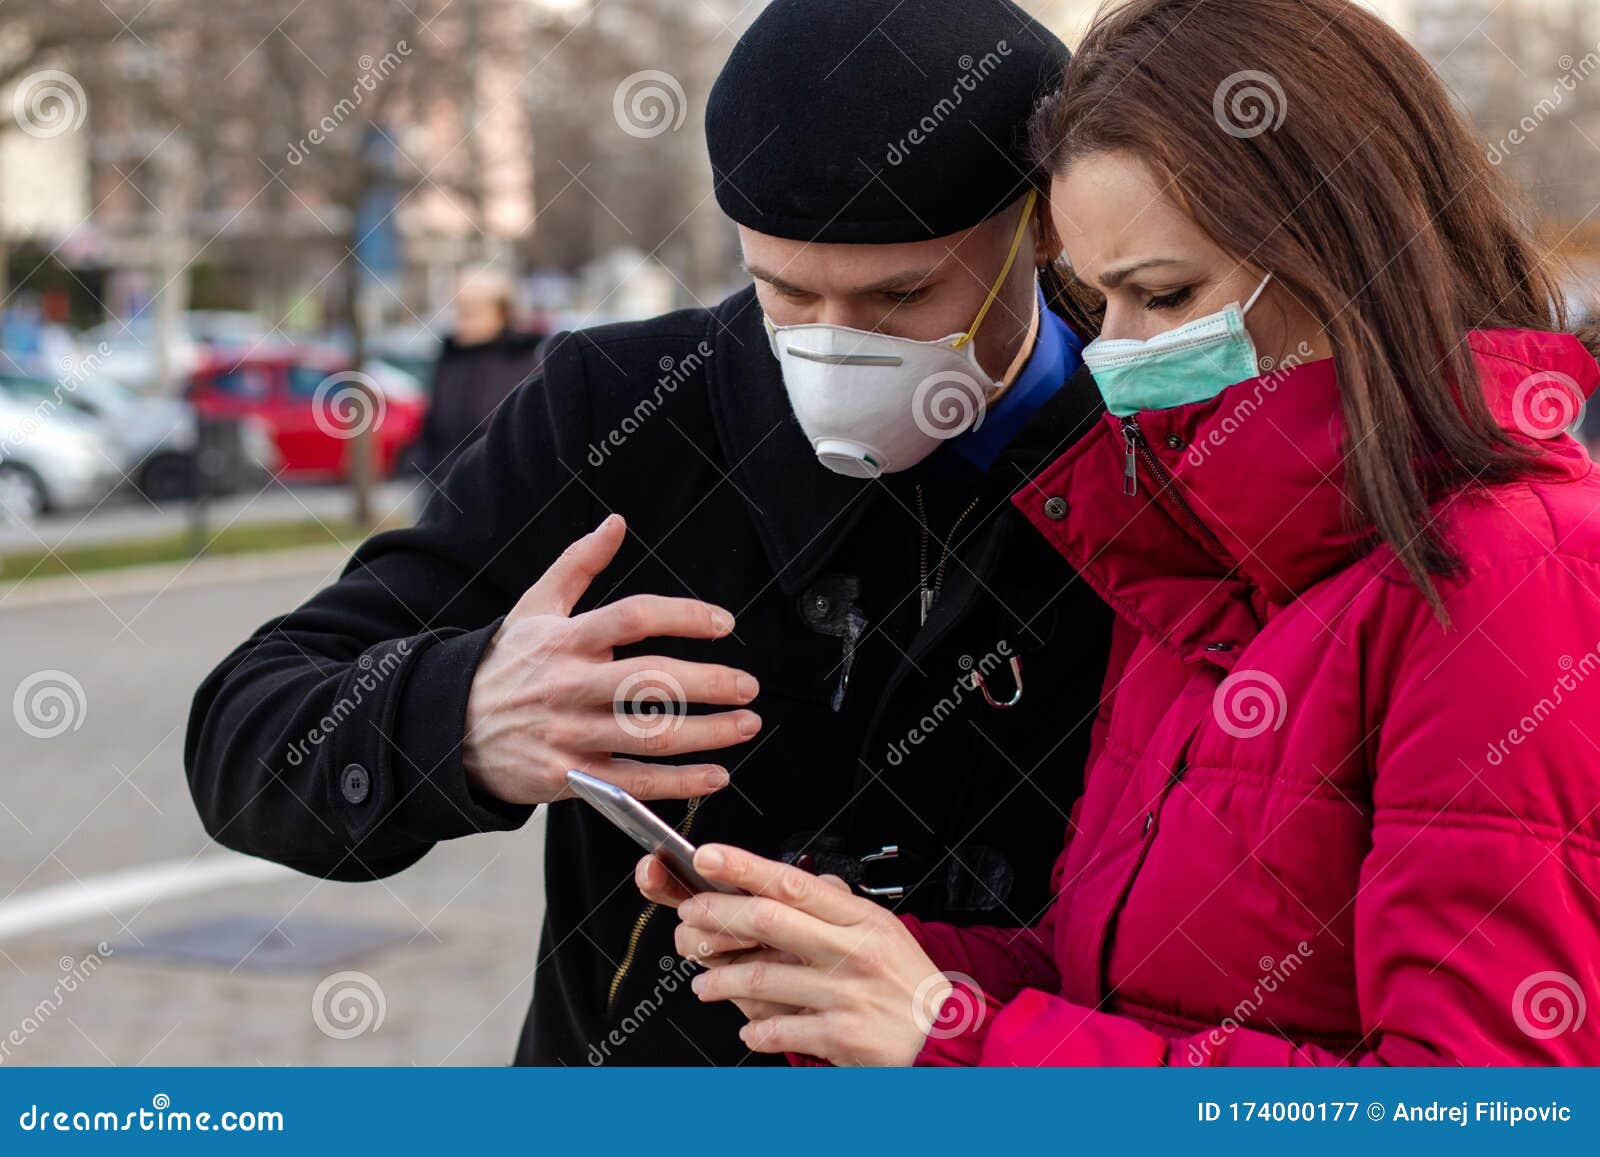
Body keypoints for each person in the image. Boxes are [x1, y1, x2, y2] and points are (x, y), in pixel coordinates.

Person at [645, 0, 1600, 1066]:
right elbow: (1117, 983)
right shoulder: (1204, 550)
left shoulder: (1512, 571)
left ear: (1348, 256)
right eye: (1095, 301)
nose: (1116, 354)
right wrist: (868, 955)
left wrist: (955, 1040)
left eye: (1162, 293)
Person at [184, 0, 1114, 1065]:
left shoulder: (1152, 434)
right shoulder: (621, 408)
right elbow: (245, 742)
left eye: (900, 296)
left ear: (1040, 226)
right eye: (785, 294)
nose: (835, 346)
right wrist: (463, 715)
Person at [413, 267, 543, 478]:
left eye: (471, 309)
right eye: (457, 308)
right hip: (446, 489)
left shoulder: (522, 360)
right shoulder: (448, 359)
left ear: (500, 311)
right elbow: (431, 430)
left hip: (502, 491)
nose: (461, 318)